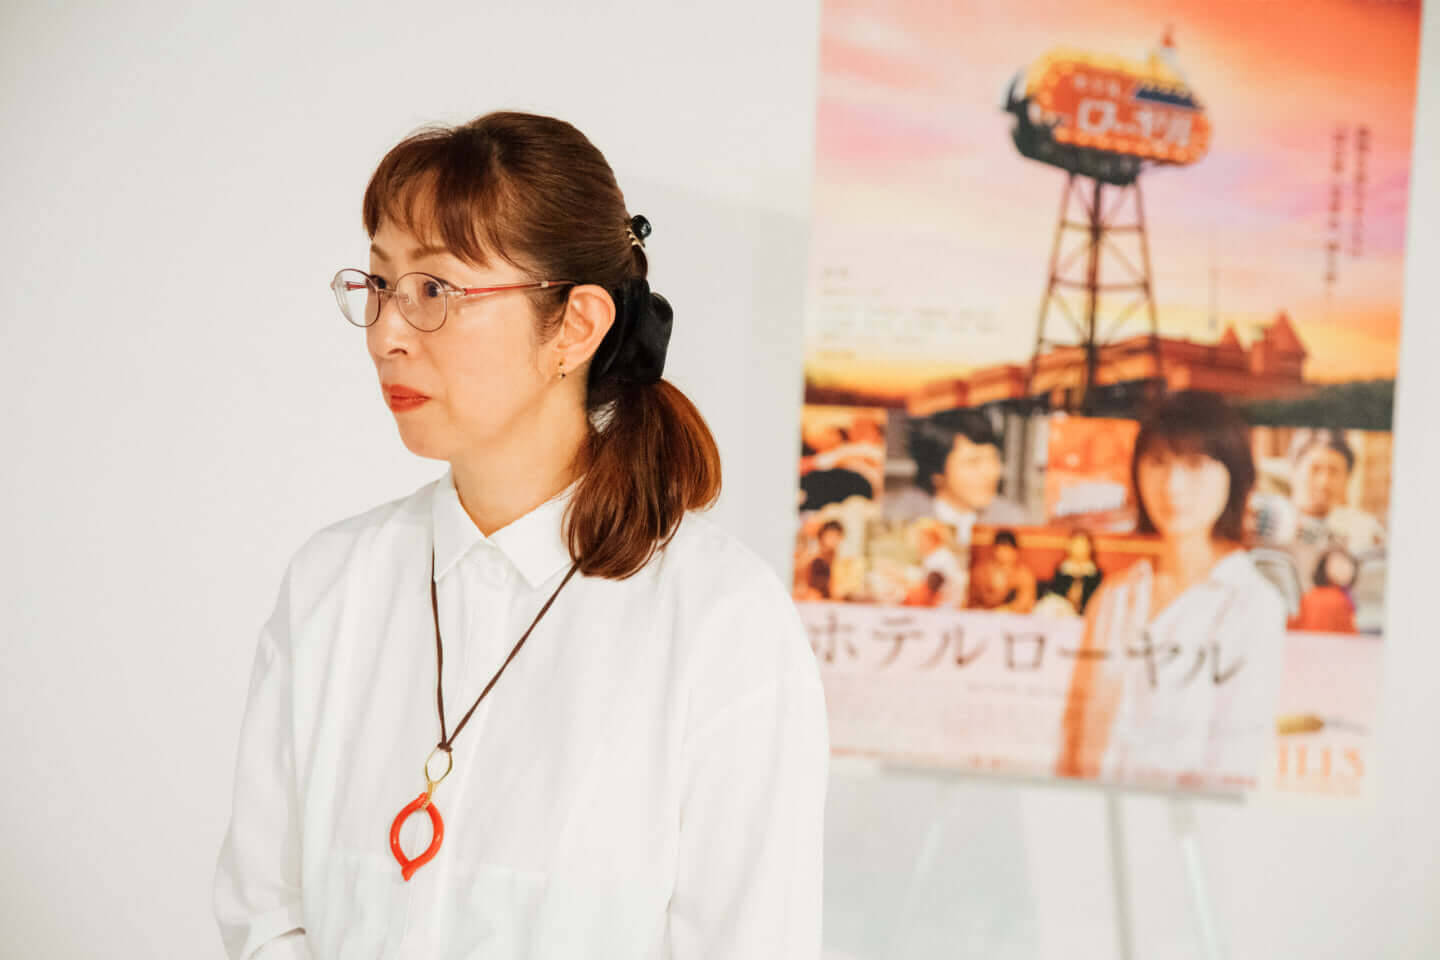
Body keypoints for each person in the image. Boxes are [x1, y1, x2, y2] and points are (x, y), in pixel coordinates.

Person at [213, 112, 829, 960]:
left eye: (435, 289)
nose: (387, 332)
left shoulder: (721, 621)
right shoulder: (333, 583)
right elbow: (264, 919)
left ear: (575, 325)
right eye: (381, 283)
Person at [1056, 391, 1286, 788]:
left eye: (1195, 465)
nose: (1173, 486)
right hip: (1091, 817)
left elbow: (1235, 761)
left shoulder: (1250, 605)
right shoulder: (1116, 596)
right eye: (1158, 463)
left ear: (1233, 476)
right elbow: (1072, 735)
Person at [886, 408, 1033, 545]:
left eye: (994, 459)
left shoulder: (1013, 520)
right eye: (973, 462)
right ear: (936, 472)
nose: (991, 472)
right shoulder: (896, 514)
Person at [1289, 429, 1386, 557]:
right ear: (1294, 470)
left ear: (1347, 478)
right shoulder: (1268, 522)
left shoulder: (1365, 530)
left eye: (1334, 471)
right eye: (1315, 469)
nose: (1324, 482)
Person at [1289, 548, 1359, 633]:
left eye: (1348, 563)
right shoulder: (1327, 598)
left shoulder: (1342, 594)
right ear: (1324, 568)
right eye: (1339, 564)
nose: (1346, 568)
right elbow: (1318, 635)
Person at [967, 529, 1037, 613]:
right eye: (1000, 549)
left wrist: (1003, 610)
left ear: (1015, 552)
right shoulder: (980, 572)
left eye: (1007, 550)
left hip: (1011, 617)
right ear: (993, 550)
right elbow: (971, 601)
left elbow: (1024, 602)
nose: (1003, 554)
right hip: (982, 617)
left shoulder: (1023, 575)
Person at [1042, 530, 1104, 616]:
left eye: (1083, 545)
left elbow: (1096, 600)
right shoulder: (1061, 570)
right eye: (1076, 544)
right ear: (1069, 546)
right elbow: (1055, 594)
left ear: (1090, 548)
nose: (1079, 549)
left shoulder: (1096, 574)